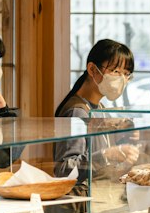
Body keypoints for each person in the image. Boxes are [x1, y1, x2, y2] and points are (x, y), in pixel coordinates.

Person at [54, 39, 139, 186]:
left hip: (102, 198)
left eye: (126, 74)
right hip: (81, 203)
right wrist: (107, 155)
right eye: (115, 71)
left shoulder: (99, 108)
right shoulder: (77, 112)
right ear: (92, 69)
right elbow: (64, 170)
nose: (122, 79)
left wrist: (124, 143)